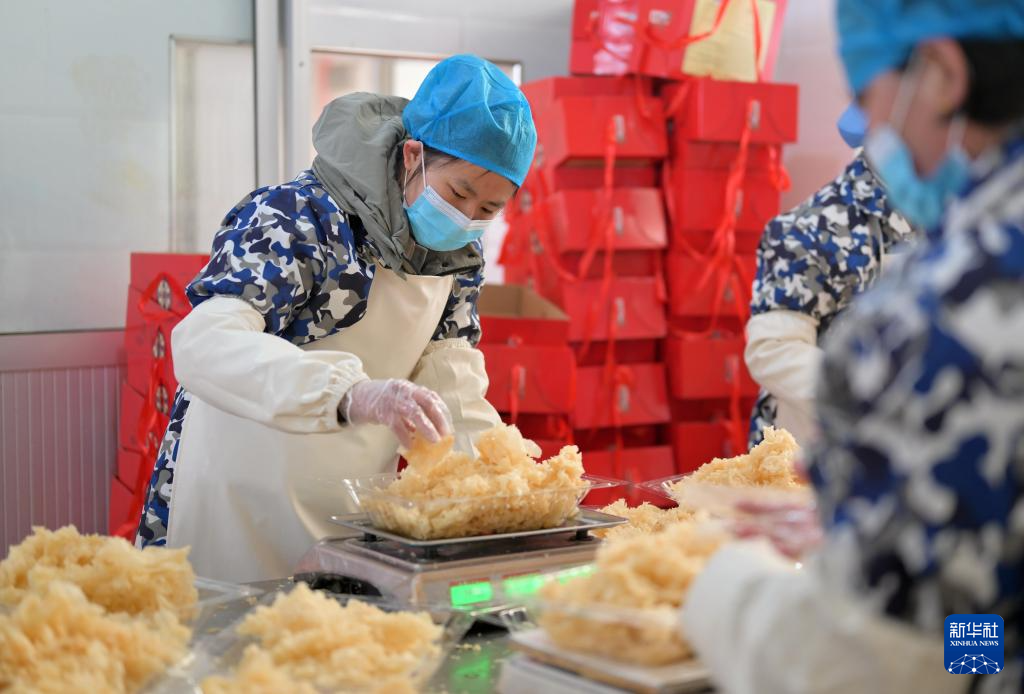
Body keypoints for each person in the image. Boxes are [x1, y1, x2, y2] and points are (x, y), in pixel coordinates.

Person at [681, 2, 1024, 693]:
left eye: (868, 98)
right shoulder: (817, 229)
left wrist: (717, 580)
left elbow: (863, 667)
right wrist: (895, 532)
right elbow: (979, 627)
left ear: (941, 73)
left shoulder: (955, 299)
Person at [135, 54, 537, 582]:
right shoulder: (299, 218)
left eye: (488, 210)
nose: (466, 219)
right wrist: (349, 393)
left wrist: (505, 486)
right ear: (412, 156)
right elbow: (205, 343)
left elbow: (450, 378)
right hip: (237, 495)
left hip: (347, 510)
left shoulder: (457, 257)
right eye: (459, 193)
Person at [746, 104, 916, 448]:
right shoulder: (811, 228)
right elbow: (773, 349)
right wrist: (874, 392)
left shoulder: (950, 213)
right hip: (818, 449)